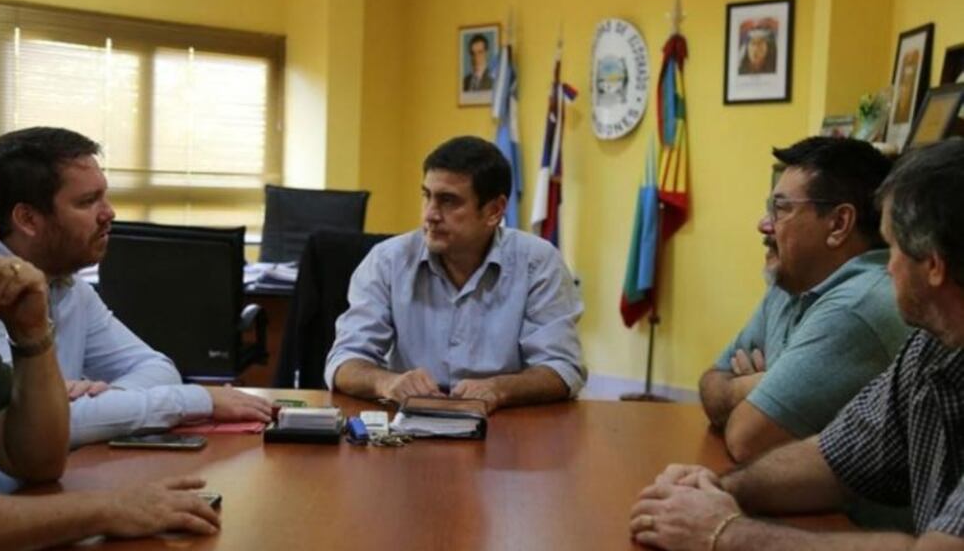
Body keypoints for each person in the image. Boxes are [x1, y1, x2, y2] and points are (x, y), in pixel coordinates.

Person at [629, 139, 964, 550]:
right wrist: (714, 488)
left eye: (892, 247)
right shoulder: (931, 350)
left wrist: (724, 532)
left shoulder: (868, 301)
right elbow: (833, 460)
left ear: (933, 264)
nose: (886, 266)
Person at [0, 154, 220, 548]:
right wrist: (107, 509)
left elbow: (39, 462)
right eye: (86, 201)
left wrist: (32, 336)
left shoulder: (50, 290)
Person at [0, 127, 271, 449]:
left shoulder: (68, 287)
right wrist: (197, 399)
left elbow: (157, 369)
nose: (109, 213)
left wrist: (103, 403)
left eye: (103, 196)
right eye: (87, 202)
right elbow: (35, 430)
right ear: (28, 219)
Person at [325, 135, 585, 412]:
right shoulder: (387, 261)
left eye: (448, 201)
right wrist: (386, 383)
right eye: (427, 196)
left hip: (507, 427)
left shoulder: (538, 262)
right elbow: (344, 361)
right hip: (408, 428)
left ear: (494, 211)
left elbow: (562, 368)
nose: (430, 215)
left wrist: (500, 389)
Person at [699, 137, 908, 464]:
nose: (763, 224)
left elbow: (746, 438)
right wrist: (763, 385)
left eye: (780, 209)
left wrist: (744, 389)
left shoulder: (857, 306)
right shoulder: (790, 283)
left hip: (843, 516)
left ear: (838, 224)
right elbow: (710, 383)